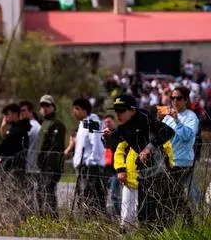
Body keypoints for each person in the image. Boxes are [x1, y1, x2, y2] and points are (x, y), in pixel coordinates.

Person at [106, 94, 175, 228]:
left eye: (122, 110)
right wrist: (108, 136)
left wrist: (149, 148)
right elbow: (115, 143)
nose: (118, 114)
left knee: (158, 214)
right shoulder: (122, 127)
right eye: (116, 111)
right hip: (142, 174)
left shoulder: (145, 119)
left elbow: (168, 132)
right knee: (143, 215)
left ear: (132, 110)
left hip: (158, 173)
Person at [162, 84, 200, 217]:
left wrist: (177, 121)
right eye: (172, 98)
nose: (175, 101)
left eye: (178, 98)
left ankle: (187, 222)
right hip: (167, 162)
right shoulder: (167, 117)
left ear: (186, 100)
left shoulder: (191, 117)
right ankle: (180, 223)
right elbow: (160, 137)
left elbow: (187, 137)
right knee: (170, 196)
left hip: (182, 162)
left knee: (176, 195)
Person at [66, 97, 106, 217]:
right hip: (83, 168)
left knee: (92, 197)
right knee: (83, 197)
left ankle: (94, 222)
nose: (74, 112)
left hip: (90, 168)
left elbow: (97, 145)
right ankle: (87, 220)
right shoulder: (82, 124)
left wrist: (90, 162)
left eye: (77, 109)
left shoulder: (92, 123)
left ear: (84, 110)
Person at [35, 95, 66, 217]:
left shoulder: (57, 125)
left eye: (47, 105)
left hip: (51, 168)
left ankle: (53, 220)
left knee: (49, 193)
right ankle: (43, 218)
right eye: (42, 106)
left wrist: (48, 166)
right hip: (42, 167)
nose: (45, 108)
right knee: (40, 194)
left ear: (53, 107)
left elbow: (55, 149)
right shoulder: (42, 123)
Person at [0, 102, 31, 203]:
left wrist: (3, 130)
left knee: (11, 197)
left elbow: (3, 148)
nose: (5, 117)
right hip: (15, 167)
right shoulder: (18, 128)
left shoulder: (17, 130)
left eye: (8, 114)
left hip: (14, 168)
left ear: (15, 114)